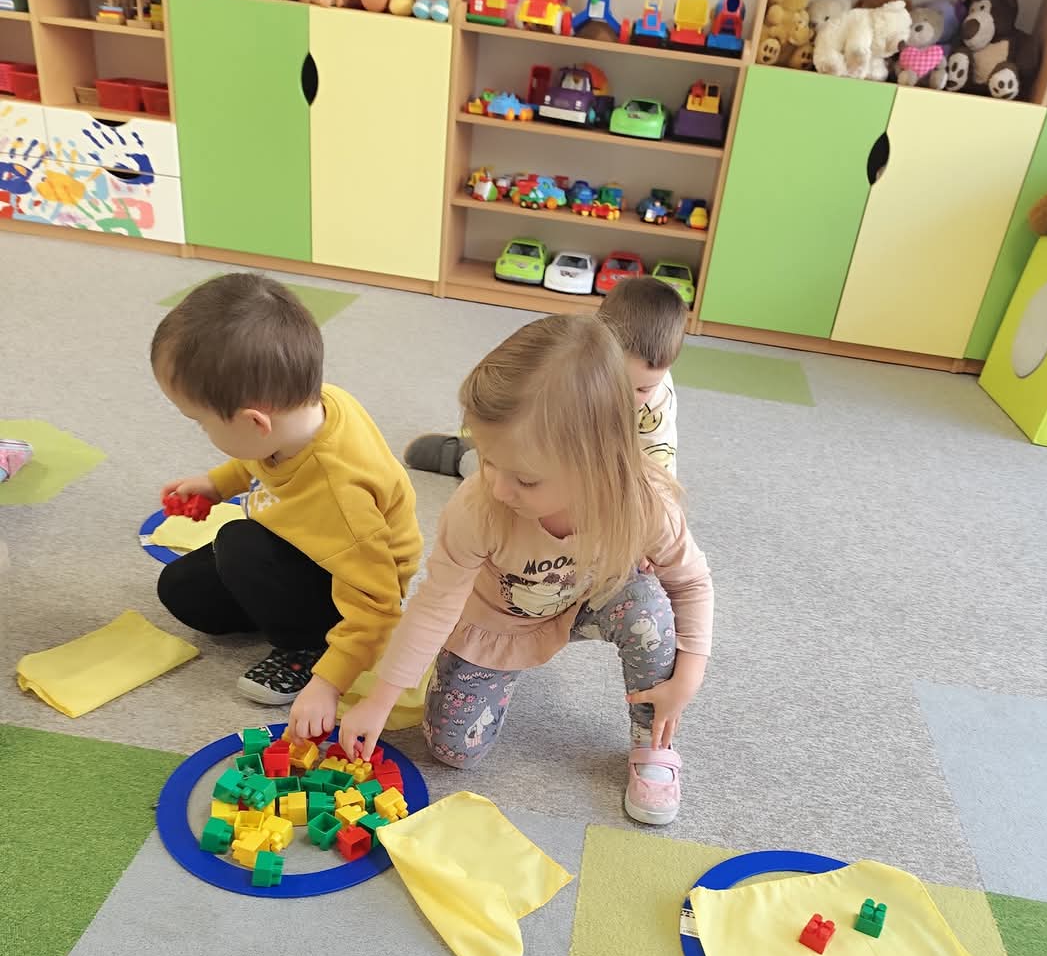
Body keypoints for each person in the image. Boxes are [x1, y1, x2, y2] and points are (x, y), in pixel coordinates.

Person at [339, 315, 713, 826]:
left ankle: (653, 747)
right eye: (489, 462)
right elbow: (435, 602)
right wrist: (380, 701)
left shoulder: (645, 503)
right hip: (501, 620)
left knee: (648, 608)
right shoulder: (479, 507)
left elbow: (691, 583)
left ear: (598, 463)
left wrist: (689, 674)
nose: (499, 488)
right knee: (452, 752)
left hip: (589, 599)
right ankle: (463, 457)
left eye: (525, 479)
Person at [151, 274, 423, 742]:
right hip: (303, 547)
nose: (201, 431)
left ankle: (306, 647)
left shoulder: (342, 495)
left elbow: (378, 607)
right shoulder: (301, 412)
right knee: (181, 590)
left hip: (352, 582)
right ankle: (282, 612)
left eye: (199, 422)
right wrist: (217, 484)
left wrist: (328, 683)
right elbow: (259, 459)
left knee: (238, 543)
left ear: (255, 422)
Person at [402, 274, 684, 480]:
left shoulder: (659, 402)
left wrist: (654, 516)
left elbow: (660, 467)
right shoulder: (575, 366)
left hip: (609, 470)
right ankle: (463, 455)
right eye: (617, 381)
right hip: (552, 453)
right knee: (501, 479)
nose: (626, 396)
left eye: (643, 389)